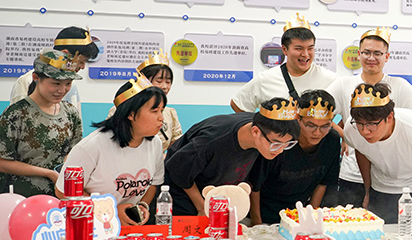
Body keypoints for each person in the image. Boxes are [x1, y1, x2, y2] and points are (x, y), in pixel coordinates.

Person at [326, 27, 412, 207]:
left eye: (377, 53)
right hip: (352, 173)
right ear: (359, 54)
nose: (371, 57)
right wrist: (347, 135)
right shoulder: (344, 84)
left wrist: (397, 134)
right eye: (366, 52)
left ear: (387, 56)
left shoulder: (398, 85)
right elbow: (319, 115)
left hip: (388, 179)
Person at [55, 73, 165, 225]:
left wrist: (141, 207)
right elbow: (63, 191)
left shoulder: (155, 143)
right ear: (131, 114)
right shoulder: (92, 146)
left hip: (129, 228)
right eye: (154, 111)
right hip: (91, 226)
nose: (161, 118)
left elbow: (154, 183)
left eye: (162, 110)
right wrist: (110, 211)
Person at [164, 97, 300, 217]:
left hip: (216, 197)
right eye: (276, 144)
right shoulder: (212, 140)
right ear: (255, 131)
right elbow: (178, 169)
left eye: (287, 144)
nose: (280, 150)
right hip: (183, 194)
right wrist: (202, 207)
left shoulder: (263, 130)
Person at [343, 82, 412, 223]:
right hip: (380, 189)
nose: (365, 131)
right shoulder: (351, 128)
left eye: (372, 124)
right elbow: (362, 152)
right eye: (360, 124)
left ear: (390, 117)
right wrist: (367, 191)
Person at [0, 49, 83, 197]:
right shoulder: (16, 114)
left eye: (68, 83)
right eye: (56, 83)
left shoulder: (70, 113)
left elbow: (74, 151)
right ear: (36, 77)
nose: (62, 90)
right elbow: (2, 162)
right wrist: (48, 173)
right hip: (22, 197)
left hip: (59, 196)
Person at [250, 90, 341, 225]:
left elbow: (323, 183)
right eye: (310, 125)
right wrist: (256, 222)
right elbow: (254, 185)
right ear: (298, 119)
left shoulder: (331, 140)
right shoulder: (282, 140)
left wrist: (310, 217)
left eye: (325, 126)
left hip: (297, 215)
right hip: (265, 214)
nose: (317, 133)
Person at [230, 13, 336, 112]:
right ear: (285, 50)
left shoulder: (330, 79)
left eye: (310, 48)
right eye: (299, 48)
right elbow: (238, 104)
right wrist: (259, 124)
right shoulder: (266, 79)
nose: (305, 54)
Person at [10, 26, 99, 116]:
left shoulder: (72, 85)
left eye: (68, 83)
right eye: (81, 61)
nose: (83, 67)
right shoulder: (26, 81)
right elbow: (17, 118)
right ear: (65, 53)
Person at [108, 49, 182, 152]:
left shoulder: (170, 113)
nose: (164, 87)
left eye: (168, 82)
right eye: (159, 81)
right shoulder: (121, 109)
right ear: (144, 81)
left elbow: (176, 143)